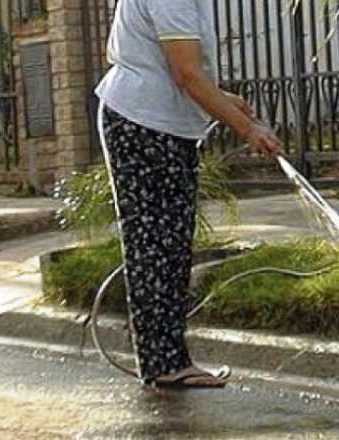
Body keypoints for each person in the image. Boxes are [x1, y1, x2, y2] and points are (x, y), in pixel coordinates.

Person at [94, 0, 282, 388]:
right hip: (145, 125)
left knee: (168, 244)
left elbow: (172, 62)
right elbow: (186, 74)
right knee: (156, 244)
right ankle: (164, 363)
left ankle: (165, 361)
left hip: (153, 120)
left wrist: (222, 99)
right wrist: (248, 130)